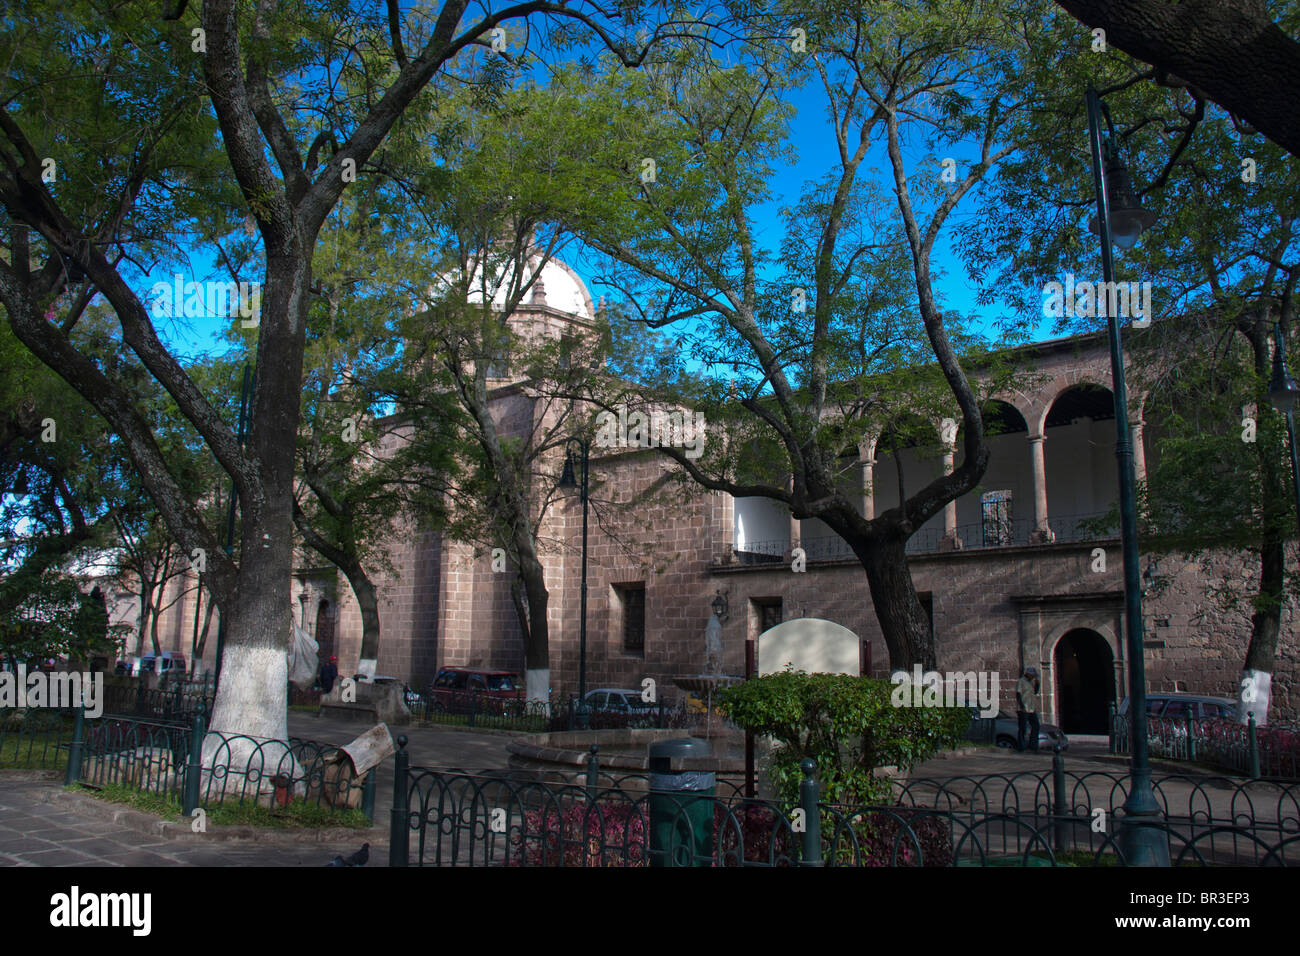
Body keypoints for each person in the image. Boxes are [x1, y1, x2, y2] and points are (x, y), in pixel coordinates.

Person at [1016, 666, 1041, 752]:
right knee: (1023, 728)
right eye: (1032, 675)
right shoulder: (1021, 681)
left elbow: (1035, 692)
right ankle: (1021, 747)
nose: (1033, 677)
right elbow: (1018, 694)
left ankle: (1033, 745)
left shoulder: (1032, 682)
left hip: (1031, 708)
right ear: (1028, 674)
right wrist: (1022, 707)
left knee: (1036, 726)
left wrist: (1037, 684)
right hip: (1023, 708)